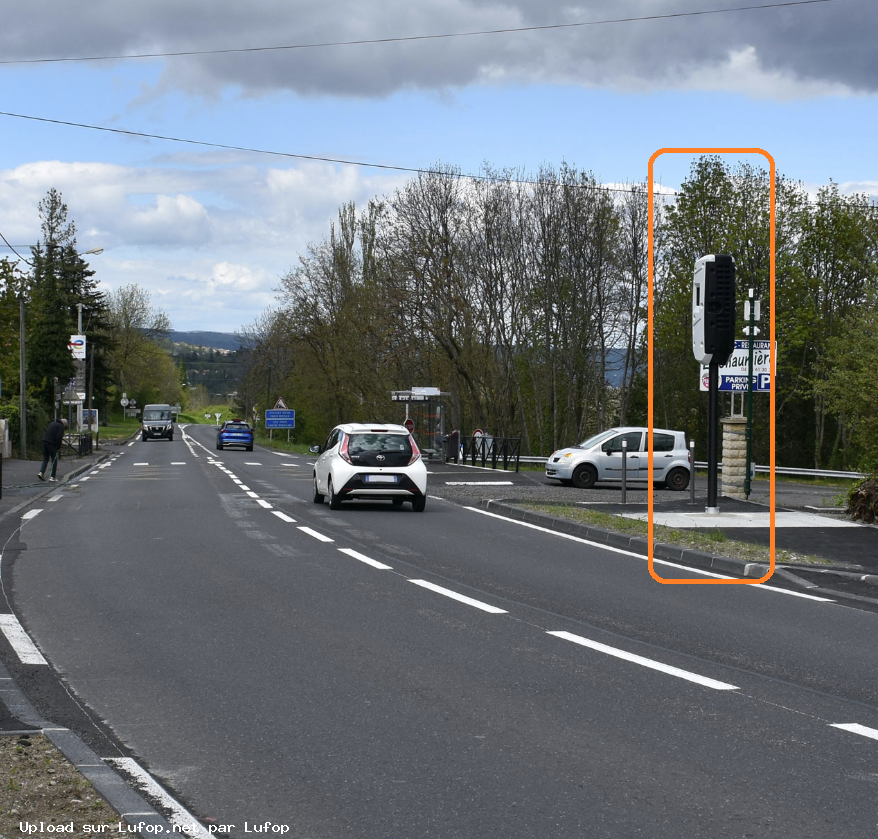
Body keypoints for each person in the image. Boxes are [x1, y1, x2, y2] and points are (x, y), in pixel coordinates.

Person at [38, 417, 68, 482]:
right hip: (51, 444)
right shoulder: (61, 427)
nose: (65, 427)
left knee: (45, 458)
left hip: (44, 441)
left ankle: (41, 472)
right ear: (64, 423)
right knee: (54, 460)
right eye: (65, 425)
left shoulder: (52, 423)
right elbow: (59, 437)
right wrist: (58, 447)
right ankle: (52, 477)